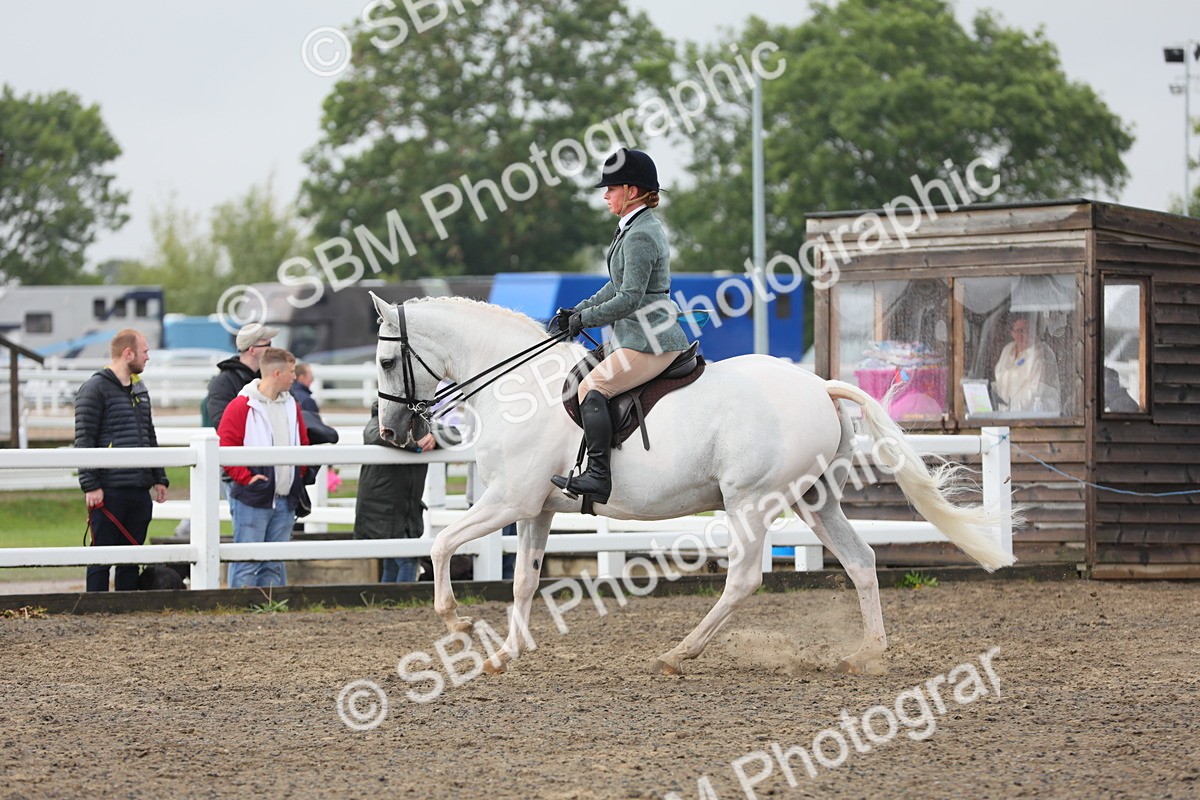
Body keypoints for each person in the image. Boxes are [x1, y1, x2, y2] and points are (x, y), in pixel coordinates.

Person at [549, 148, 690, 504]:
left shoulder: (641, 234)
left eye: (611, 188)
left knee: (590, 388)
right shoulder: (633, 228)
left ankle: (598, 476)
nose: (606, 195)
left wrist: (585, 320)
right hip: (635, 336)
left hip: (650, 339)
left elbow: (628, 298)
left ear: (631, 190)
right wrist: (576, 311)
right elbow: (614, 285)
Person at [74, 329, 169, 591]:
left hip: (139, 488)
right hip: (109, 489)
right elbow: (84, 438)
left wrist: (158, 476)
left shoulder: (139, 388)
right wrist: (90, 483)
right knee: (101, 556)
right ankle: (95, 608)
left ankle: (127, 607)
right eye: (145, 351)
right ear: (128, 353)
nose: (148, 356)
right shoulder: (94, 389)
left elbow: (148, 434)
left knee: (132, 557)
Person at [217, 347, 310, 588]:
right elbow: (227, 447)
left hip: (284, 495)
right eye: (290, 371)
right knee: (247, 561)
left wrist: (296, 477)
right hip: (254, 496)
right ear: (276, 373)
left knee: (274, 561)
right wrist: (247, 478)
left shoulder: (292, 405)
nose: (294, 376)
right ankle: (239, 608)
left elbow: (303, 442)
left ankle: (270, 611)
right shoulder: (241, 406)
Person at [353, 401, 434, 582]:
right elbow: (375, 435)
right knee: (407, 560)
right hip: (384, 509)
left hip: (403, 509)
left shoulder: (423, 423)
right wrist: (418, 442)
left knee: (394, 561)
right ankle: (400, 601)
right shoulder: (377, 423)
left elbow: (454, 434)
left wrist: (433, 438)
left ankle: (388, 602)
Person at [205, 321, 280, 430]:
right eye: (268, 345)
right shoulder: (223, 382)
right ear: (252, 350)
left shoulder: (272, 376)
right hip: (243, 445)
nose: (272, 349)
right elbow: (223, 422)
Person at [994, 315, 1060, 414]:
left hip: (1030, 416)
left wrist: (1013, 410)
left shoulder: (1041, 353)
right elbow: (999, 379)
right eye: (1019, 331)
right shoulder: (1008, 350)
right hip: (1005, 414)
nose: (1023, 335)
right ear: (1012, 333)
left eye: (1027, 330)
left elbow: (1036, 391)